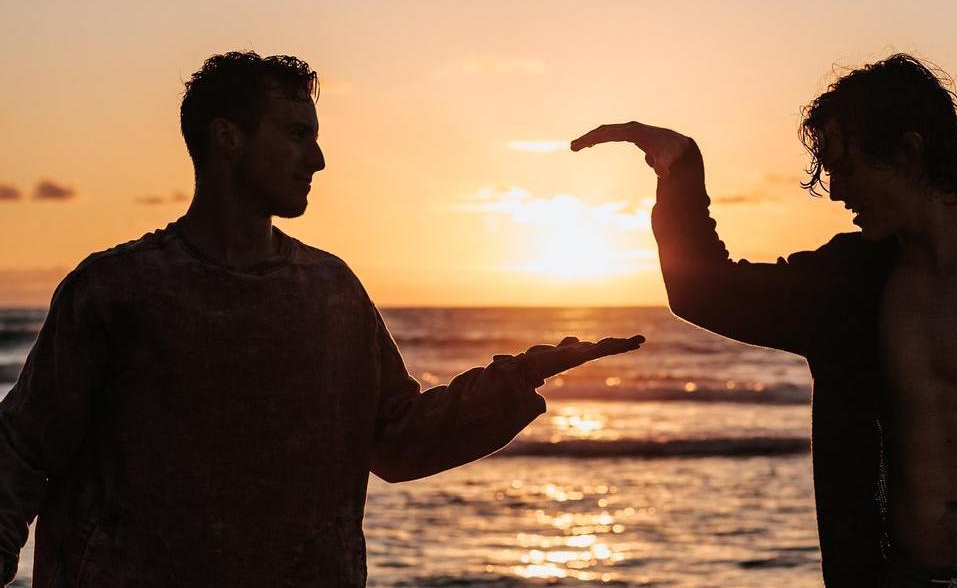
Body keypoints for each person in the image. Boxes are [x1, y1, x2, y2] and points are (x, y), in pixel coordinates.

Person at [0, 51, 643, 586]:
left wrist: (520, 377)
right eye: (297, 134)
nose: (318, 158)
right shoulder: (118, 290)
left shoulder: (330, 291)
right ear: (228, 138)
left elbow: (395, 439)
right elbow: (21, 451)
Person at [572, 54, 957, 587]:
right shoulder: (845, 285)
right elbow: (704, 292)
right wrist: (681, 171)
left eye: (846, 167)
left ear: (909, 153)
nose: (834, 191)